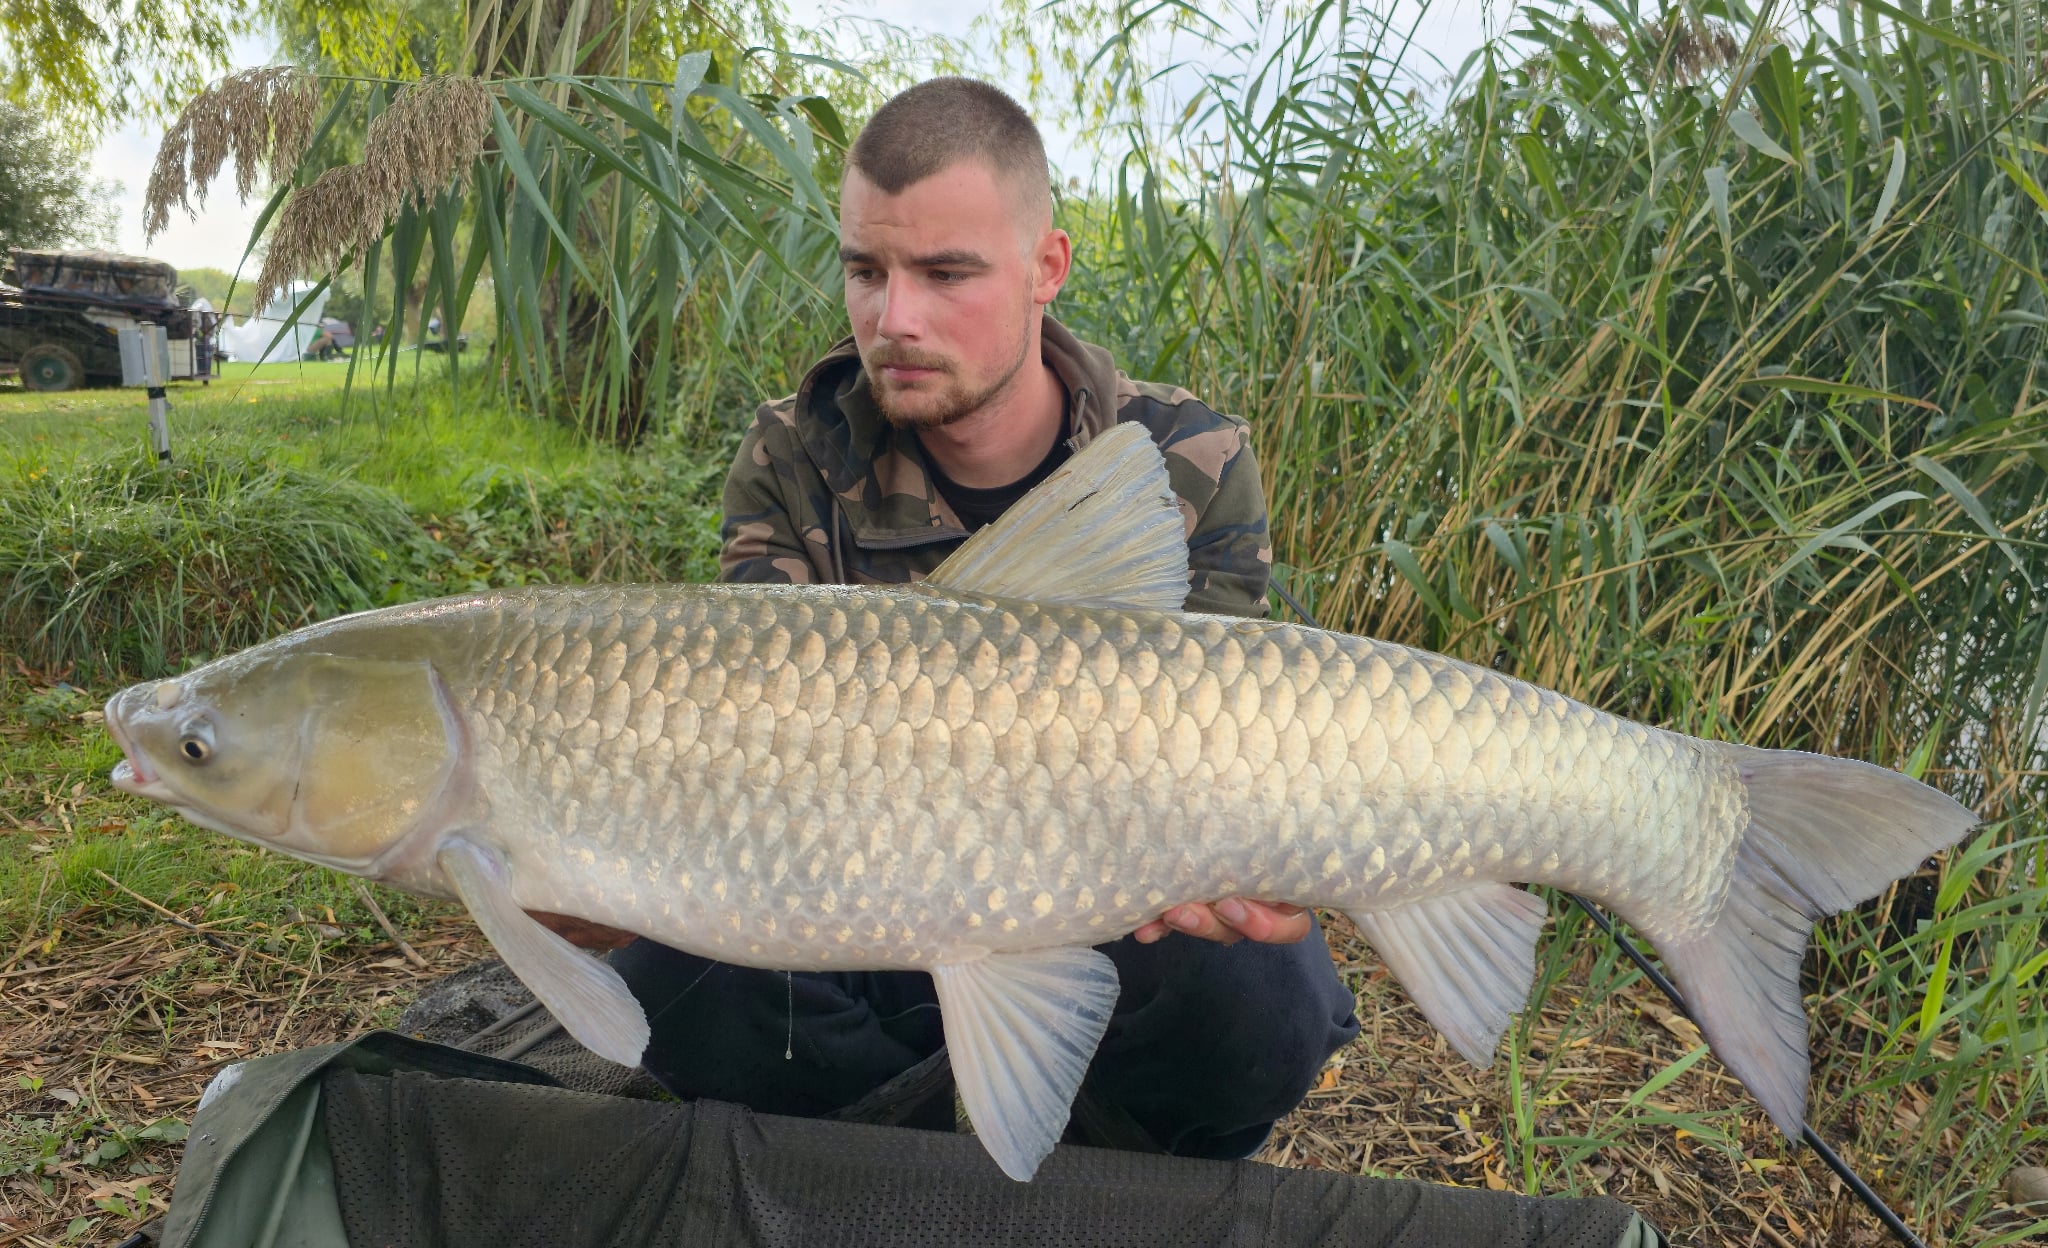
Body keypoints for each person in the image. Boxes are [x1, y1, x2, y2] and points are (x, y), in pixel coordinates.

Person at [541, 76, 1360, 1162]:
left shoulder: (1187, 459)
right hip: (845, 897)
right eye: (865, 271)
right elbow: (761, 762)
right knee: (670, 974)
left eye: (945, 274)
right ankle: (900, 1157)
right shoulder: (792, 453)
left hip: (1103, 892)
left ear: (1046, 268)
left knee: (1264, 996)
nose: (895, 320)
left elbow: (1206, 757)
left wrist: (1246, 861)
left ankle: (1105, 1164)